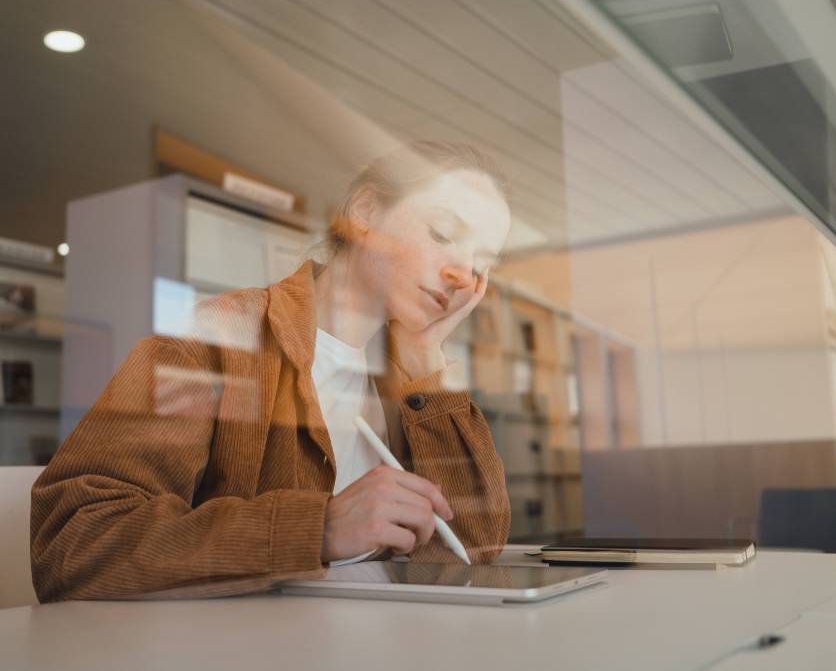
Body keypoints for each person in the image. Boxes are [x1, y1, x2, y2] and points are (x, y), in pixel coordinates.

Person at [30, 140, 513, 602]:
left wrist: (428, 358)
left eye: (481, 263)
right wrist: (317, 528)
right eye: (444, 234)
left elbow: (467, 551)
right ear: (365, 213)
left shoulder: (403, 380)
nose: (462, 274)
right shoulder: (213, 339)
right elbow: (73, 541)